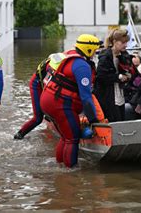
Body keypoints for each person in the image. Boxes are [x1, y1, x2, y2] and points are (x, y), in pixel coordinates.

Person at [40, 34, 102, 168]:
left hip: (48, 99)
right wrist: (93, 119)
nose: (95, 54)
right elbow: (86, 97)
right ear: (88, 50)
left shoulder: (68, 56)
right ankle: (70, 172)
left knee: (65, 136)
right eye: (95, 51)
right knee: (72, 138)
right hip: (60, 104)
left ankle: (60, 165)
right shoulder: (82, 67)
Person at [94, 29, 132, 122]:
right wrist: (118, 77)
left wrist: (128, 75)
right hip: (108, 94)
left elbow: (129, 69)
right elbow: (101, 76)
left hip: (119, 92)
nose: (126, 45)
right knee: (114, 119)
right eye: (123, 42)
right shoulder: (105, 57)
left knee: (121, 117)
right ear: (114, 42)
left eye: (126, 42)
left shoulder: (124, 54)